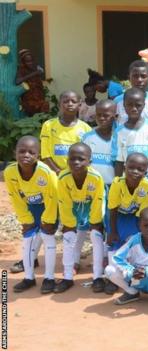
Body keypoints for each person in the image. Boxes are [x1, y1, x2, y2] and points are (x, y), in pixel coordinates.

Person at [7, 136, 58, 293]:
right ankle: (29, 278)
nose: (26, 155)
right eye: (22, 151)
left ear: (38, 155)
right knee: (27, 241)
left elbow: (53, 197)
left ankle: (49, 278)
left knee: (48, 239)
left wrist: (48, 220)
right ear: (15, 153)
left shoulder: (46, 173)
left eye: (31, 152)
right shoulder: (10, 172)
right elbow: (15, 197)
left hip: (48, 208)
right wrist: (25, 219)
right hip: (30, 209)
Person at [56, 143, 105, 293]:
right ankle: (68, 277)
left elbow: (98, 200)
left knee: (96, 238)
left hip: (92, 208)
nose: (76, 162)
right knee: (69, 238)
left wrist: (95, 221)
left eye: (81, 159)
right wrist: (68, 224)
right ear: (67, 160)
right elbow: (64, 202)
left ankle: (97, 277)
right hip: (73, 208)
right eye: (72, 159)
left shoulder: (96, 178)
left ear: (89, 162)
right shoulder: (63, 177)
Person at [106, 153, 148, 293]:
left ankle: (132, 276)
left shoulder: (147, 185)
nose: (135, 171)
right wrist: (112, 231)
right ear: (125, 167)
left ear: (146, 172)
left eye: (140, 169)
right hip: (116, 216)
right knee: (114, 243)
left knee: (134, 244)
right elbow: (112, 209)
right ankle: (111, 278)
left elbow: (142, 213)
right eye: (131, 167)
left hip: (134, 217)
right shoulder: (117, 183)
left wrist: (140, 234)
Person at [112, 88, 148, 177]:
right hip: (129, 181)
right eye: (129, 105)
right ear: (124, 106)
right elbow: (119, 161)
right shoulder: (119, 132)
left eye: (138, 105)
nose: (134, 109)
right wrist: (117, 183)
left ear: (144, 105)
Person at [40, 90, 92, 174]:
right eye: (65, 101)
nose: (70, 104)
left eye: (73, 101)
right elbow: (45, 154)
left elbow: (87, 156)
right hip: (53, 174)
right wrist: (57, 171)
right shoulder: (48, 125)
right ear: (59, 105)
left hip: (77, 174)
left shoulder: (86, 129)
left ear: (79, 105)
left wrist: (74, 174)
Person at [82, 99, 117, 186]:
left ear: (115, 117)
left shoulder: (120, 138)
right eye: (98, 115)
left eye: (106, 115)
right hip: (92, 185)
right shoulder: (87, 138)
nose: (101, 118)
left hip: (113, 186)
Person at [16, 49, 49, 116]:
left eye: (31, 61)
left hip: (39, 96)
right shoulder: (21, 69)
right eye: (27, 61)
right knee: (32, 113)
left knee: (44, 108)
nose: (30, 63)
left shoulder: (35, 67)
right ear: (24, 62)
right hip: (28, 98)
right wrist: (34, 73)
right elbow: (18, 81)